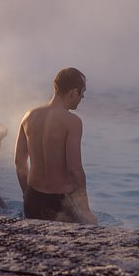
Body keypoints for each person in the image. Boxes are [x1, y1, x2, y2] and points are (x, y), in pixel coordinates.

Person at [14, 67, 98, 224]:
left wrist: (27, 195)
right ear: (74, 92)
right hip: (60, 203)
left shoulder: (29, 116)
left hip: (33, 198)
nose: (82, 98)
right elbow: (75, 169)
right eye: (82, 93)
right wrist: (86, 210)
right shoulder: (72, 122)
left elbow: (20, 164)